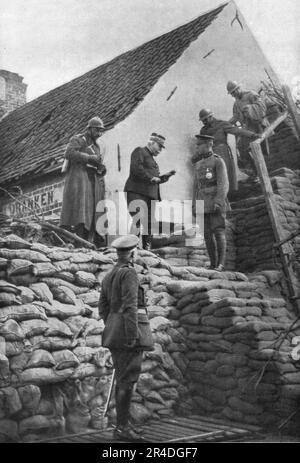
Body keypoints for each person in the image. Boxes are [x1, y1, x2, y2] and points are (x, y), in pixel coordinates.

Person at [98, 234, 147, 442]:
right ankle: (122, 429)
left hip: (113, 332)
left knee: (122, 379)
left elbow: (102, 308)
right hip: (127, 334)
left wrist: (112, 325)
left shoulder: (109, 275)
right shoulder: (129, 274)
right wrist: (131, 334)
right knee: (127, 381)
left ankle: (123, 425)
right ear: (133, 253)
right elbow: (130, 306)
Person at [60, 116, 107, 246]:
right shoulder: (78, 139)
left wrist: (100, 168)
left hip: (92, 180)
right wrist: (89, 157)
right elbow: (69, 153)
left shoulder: (97, 147)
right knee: (81, 212)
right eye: (97, 130)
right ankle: (79, 241)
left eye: (101, 131)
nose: (100, 133)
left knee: (92, 212)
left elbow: (97, 163)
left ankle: (89, 241)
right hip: (79, 178)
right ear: (90, 129)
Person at [124, 133, 176, 250]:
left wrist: (164, 177)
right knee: (138, 217)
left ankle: (147, 249)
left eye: (162, 148)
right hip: (136, 192)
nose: (160, 150)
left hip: (149, 195)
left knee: (149, 222)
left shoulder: (152, 159)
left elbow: (153, 179)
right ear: (151, 143)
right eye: (159, 146)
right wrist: (151, 178)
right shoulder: (139, 151)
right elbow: (136, 169)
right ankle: (133, 248)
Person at [192, 134, 229, 271]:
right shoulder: (198, 165)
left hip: (214, 201)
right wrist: (194, 205)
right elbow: (195, 187)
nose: (197, 147)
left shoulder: (218, 161)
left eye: (199, 145)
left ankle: (221, 264)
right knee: (207, 234)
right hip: (202, 203)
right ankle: (213, 263)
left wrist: (219, 201)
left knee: (219, 232)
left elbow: (223, 184)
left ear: (208, 145)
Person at [197, 108, 259, 191]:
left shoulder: (222, 124)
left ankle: (231, 191)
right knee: (214, 175)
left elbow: (237, 131)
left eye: (205, 119)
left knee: (225, 171)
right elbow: (202, 143)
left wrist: (252, 135)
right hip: (210, 154)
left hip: (223, 151)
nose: (204, 122)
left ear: (211, 117)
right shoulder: (203, 130)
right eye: (202, 120)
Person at [226, 80, 269, 179]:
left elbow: (262, 107)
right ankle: (254, 173)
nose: (233, 95)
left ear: (239, 88)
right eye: (231, 93)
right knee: (241, 147)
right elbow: (236, 116)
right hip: (249, 127)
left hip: (258, 125)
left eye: (234, 92)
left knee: (257, 149)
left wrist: (250, 109)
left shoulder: (251, 94)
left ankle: (260, 173)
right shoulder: (236, 103)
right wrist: (226, 124)